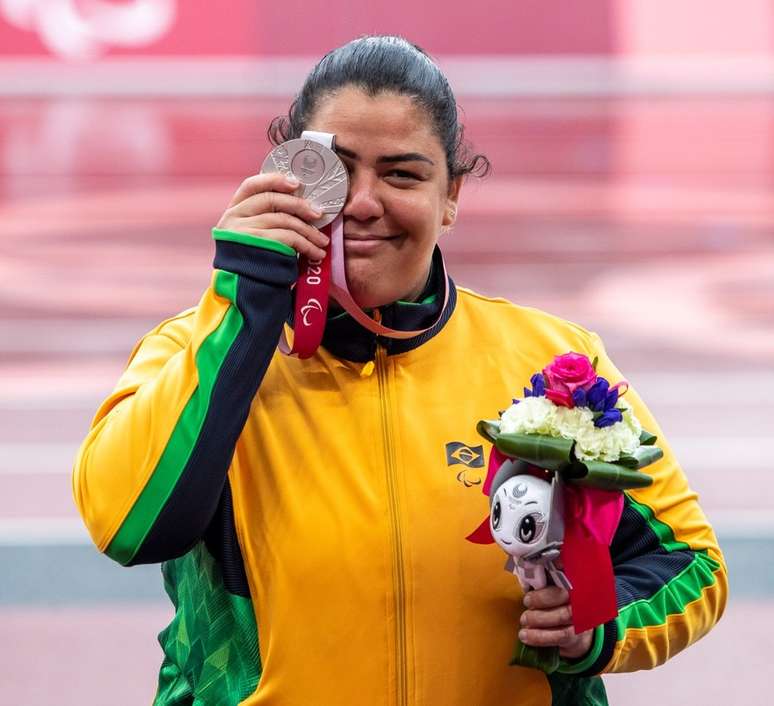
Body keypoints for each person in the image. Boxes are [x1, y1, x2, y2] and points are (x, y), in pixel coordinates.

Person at [72, 35, 727, 706]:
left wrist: (599, 624)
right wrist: (242, 309)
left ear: (452, 195)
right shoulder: (196, 349)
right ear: (286, 171)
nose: (361, 202)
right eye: (335, 169)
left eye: (403, 174)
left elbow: (690, 565)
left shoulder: (553, 366)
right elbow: (133, 527)